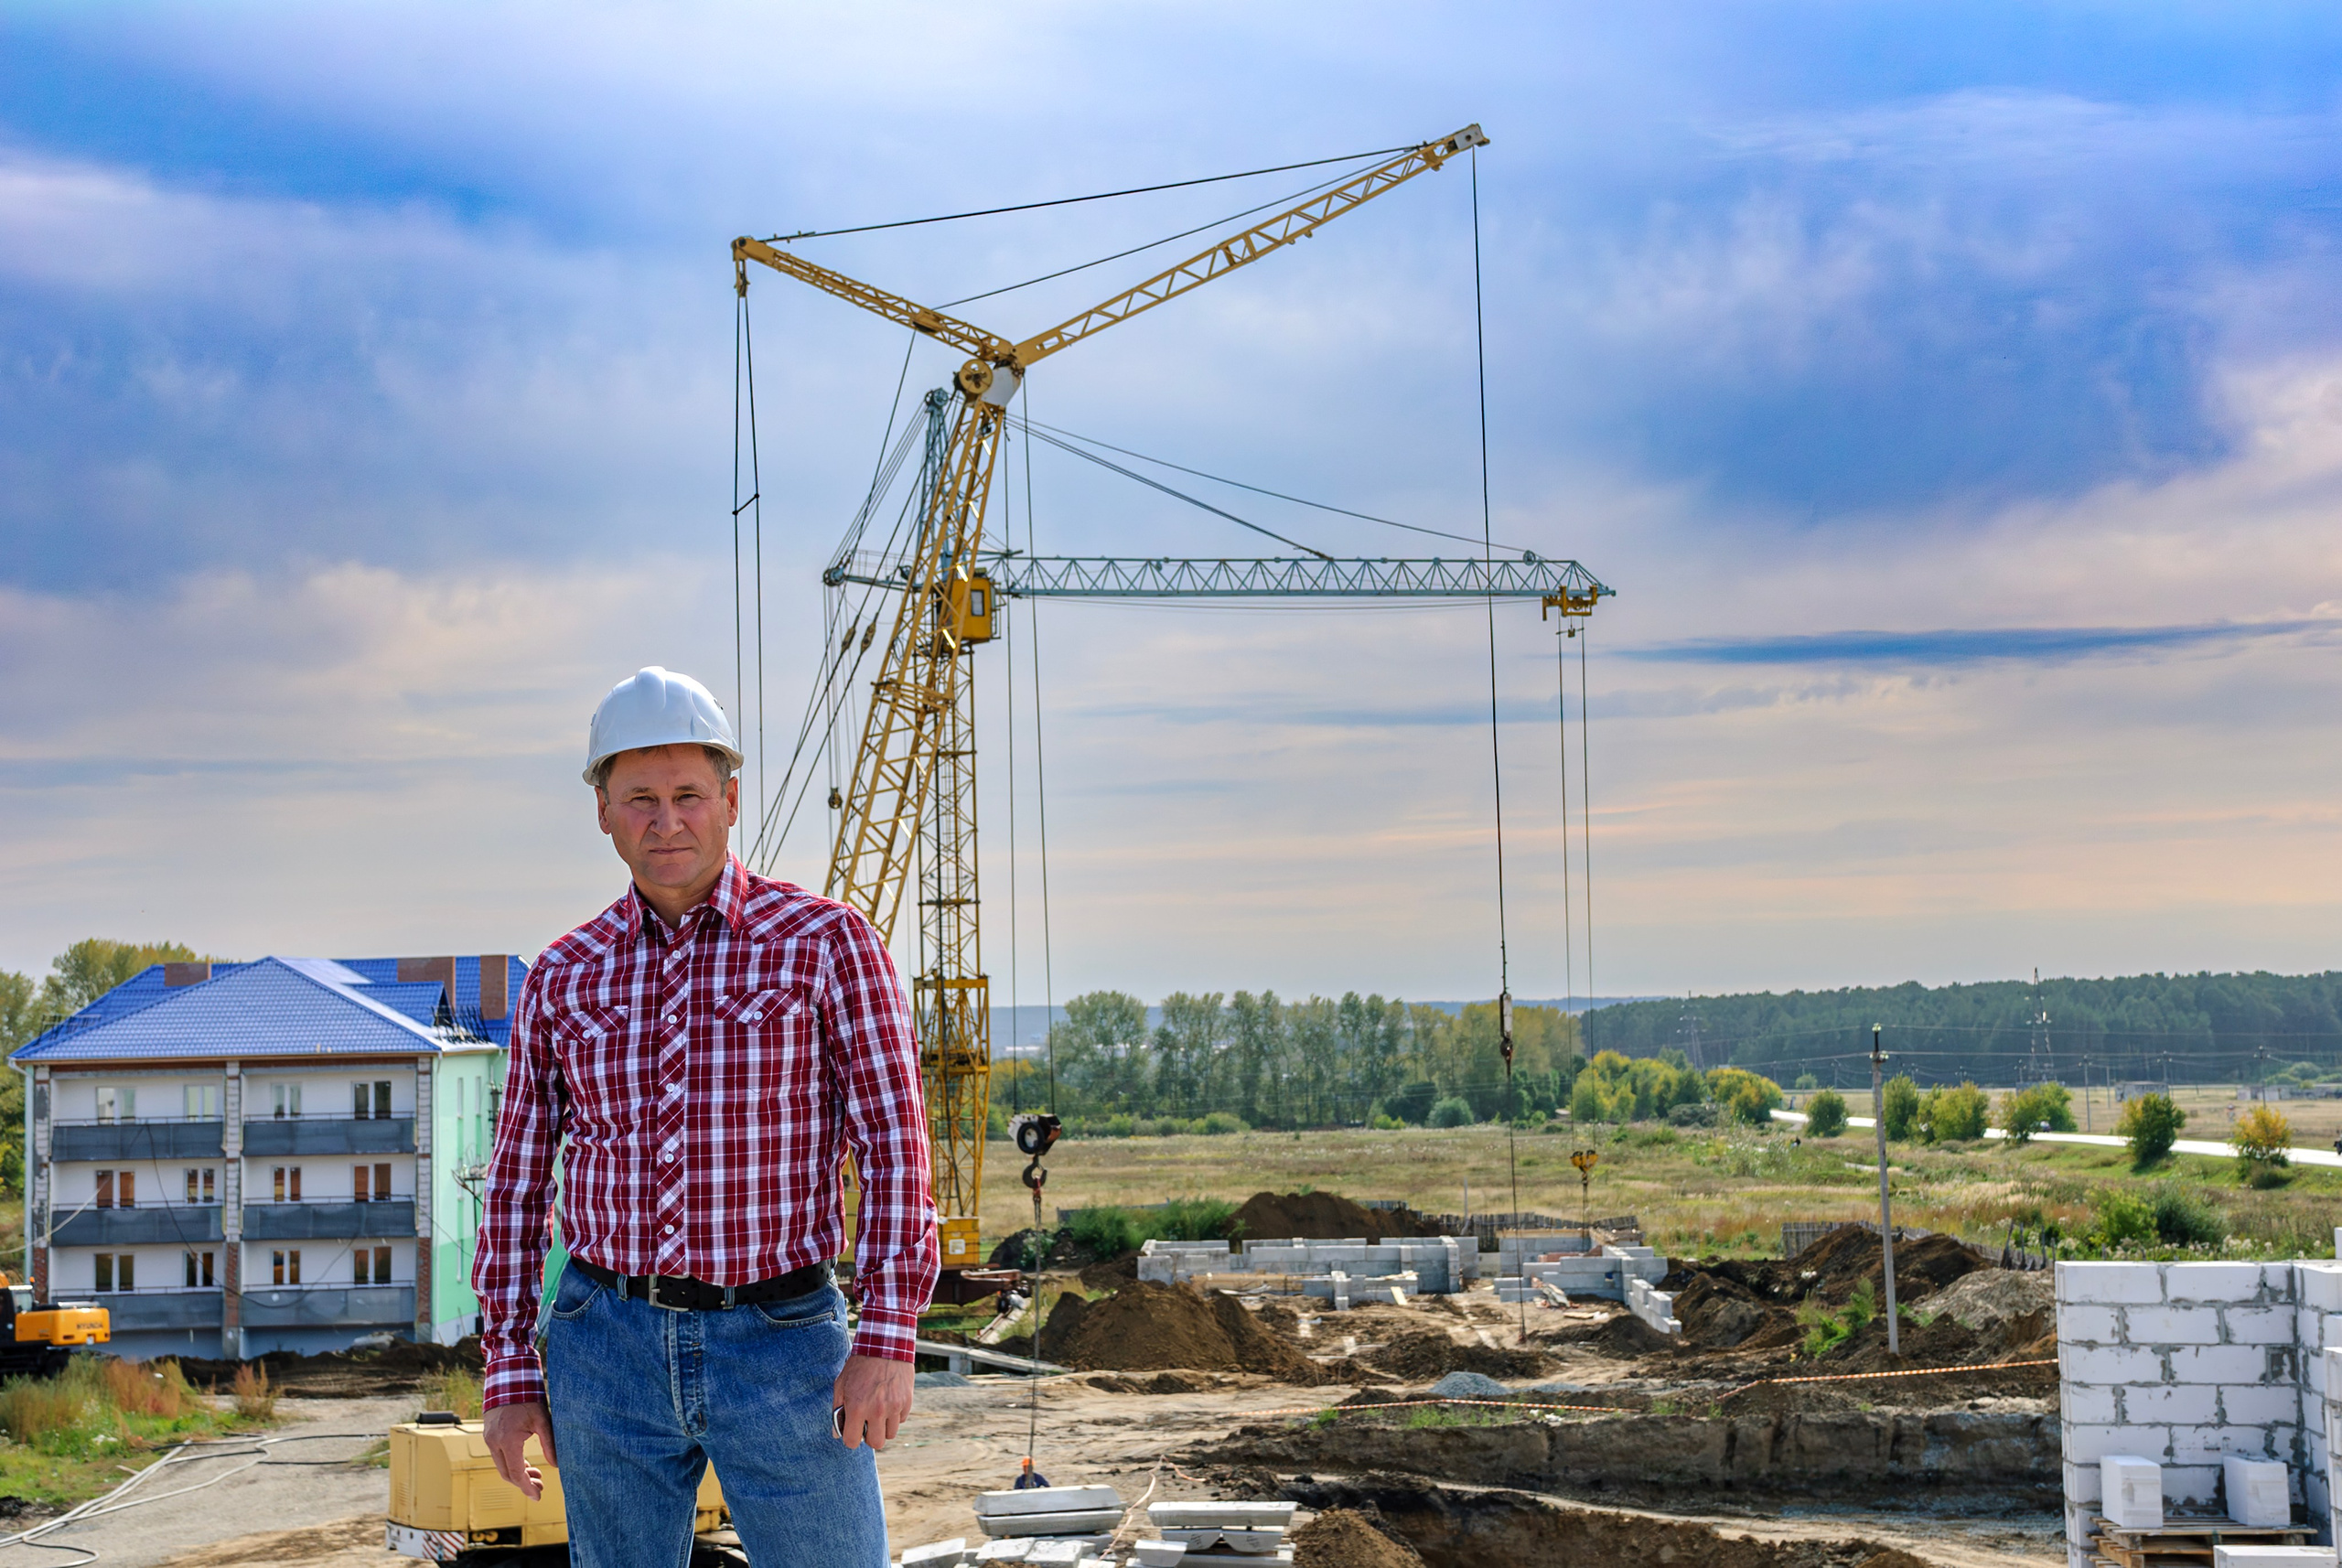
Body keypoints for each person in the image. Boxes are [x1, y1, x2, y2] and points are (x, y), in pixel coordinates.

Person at [473, 666, 937, 1568]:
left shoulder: (827, 946)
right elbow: (517, 1184)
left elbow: (894, 1143)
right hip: (604, 1347)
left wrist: (889, 1335)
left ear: (730, 800)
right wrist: (509, 1370)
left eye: (689, 794)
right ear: (602, 810)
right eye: (639, 797)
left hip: (784, 1346)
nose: (666, 818)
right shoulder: (565, 974)